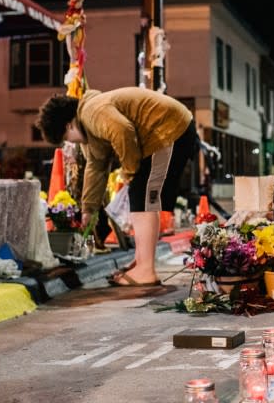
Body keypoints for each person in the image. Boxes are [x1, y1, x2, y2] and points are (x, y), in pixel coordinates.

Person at [36, 87, 197, 286]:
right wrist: (88, 209)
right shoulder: (89, 130)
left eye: (67, 139)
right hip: (165, 130)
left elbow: (123, 131)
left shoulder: (93, 112)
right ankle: (141, 262)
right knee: (140, 196)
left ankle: (146, 270)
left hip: (169, 128)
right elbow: (96, 167)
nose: (72, 143)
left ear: (69, 126)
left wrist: (129, 172)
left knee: (141, 195)